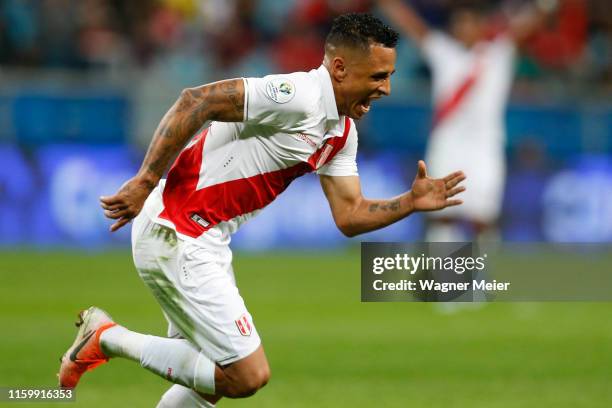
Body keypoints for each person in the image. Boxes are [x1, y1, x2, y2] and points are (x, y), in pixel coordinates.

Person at [58, 13, 466, 407]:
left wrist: (409, 203)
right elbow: (196, 101)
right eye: (378, 76)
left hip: (207, 240)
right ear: (340, 68)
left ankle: (109, 340)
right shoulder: (298, 97)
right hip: (178, 233)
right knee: (247, 375)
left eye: (390, 76)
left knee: (208, 380)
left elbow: (351, 215)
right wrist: (145, 180)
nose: (387, 89)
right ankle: (107, 337)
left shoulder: (341, 133)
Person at [378, 0, 558, 242]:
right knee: (440, 213)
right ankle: (443, 274)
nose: (462, 29)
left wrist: (545, 7)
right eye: (458, 24)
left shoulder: (496, 55)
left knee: (482, 219)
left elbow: (523, 29)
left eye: (468, 23)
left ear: (481, 26)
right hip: (447, 143)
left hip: (485, 147)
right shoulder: (444, 52)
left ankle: (477, 275)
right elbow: (413, 26)